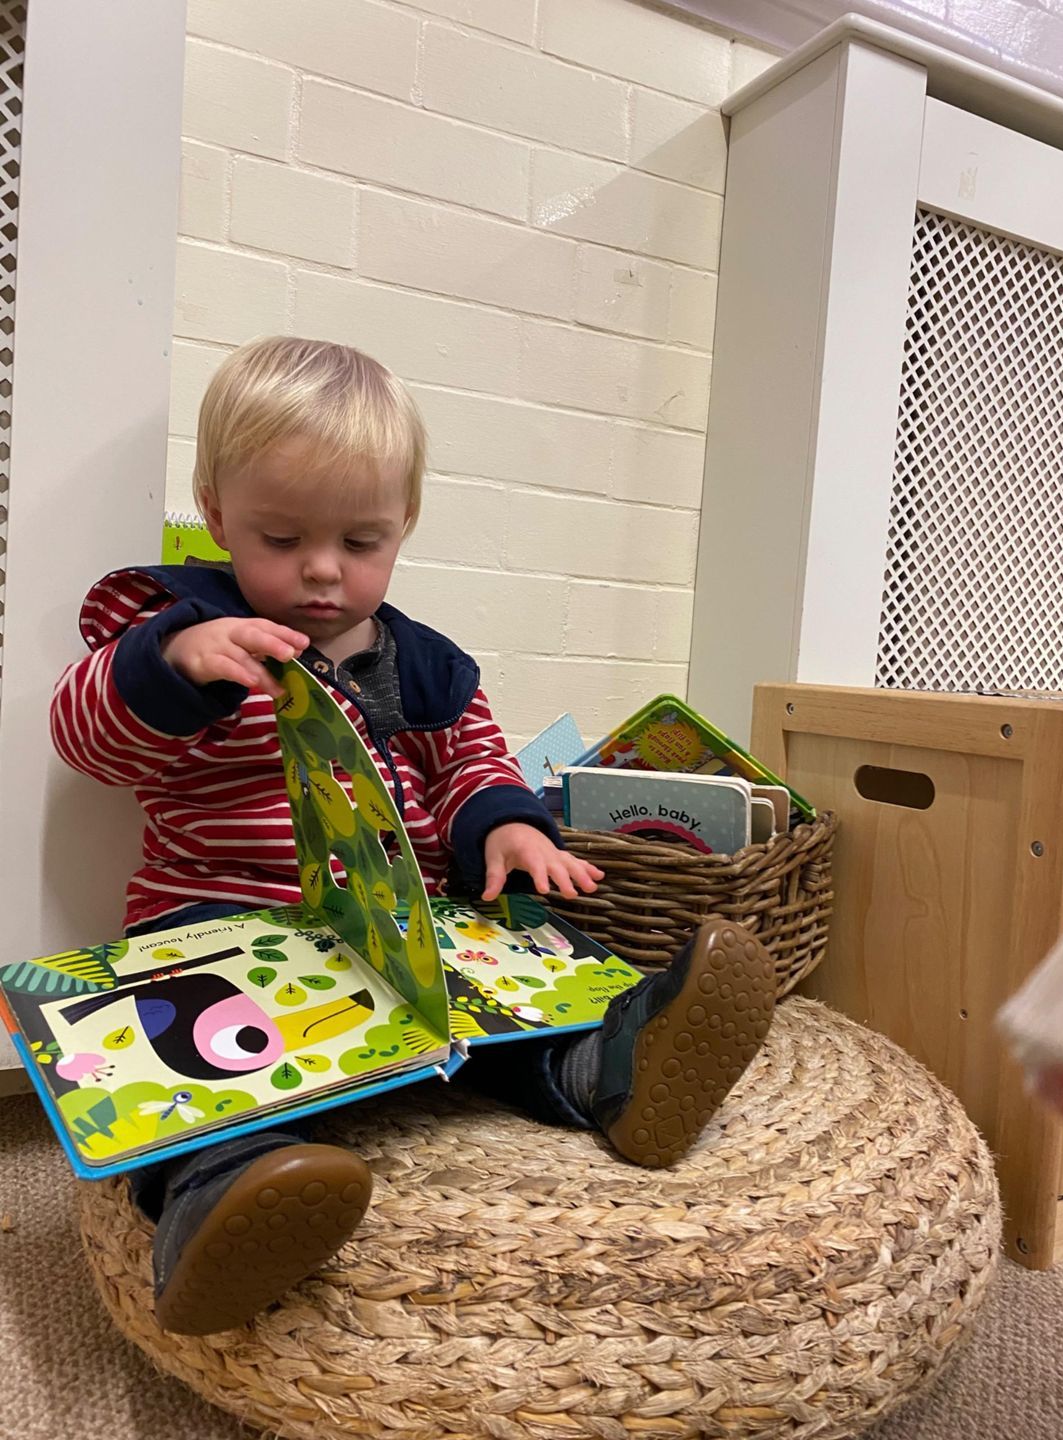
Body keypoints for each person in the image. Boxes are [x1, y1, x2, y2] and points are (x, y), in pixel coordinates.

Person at [51, 336, 775, 1336]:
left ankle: (615, 1067)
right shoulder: (181, 627)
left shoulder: (427, 667)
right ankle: (220, 1196)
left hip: (403, 928)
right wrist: (171, 661)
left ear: (405, 527)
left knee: (518, 979)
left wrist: (511, 827)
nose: (320, 571)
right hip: (224, 925)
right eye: (279, 537)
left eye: (359, 543)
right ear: (216, 515)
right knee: (191, 1061)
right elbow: (87, 741)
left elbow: (477, 764)